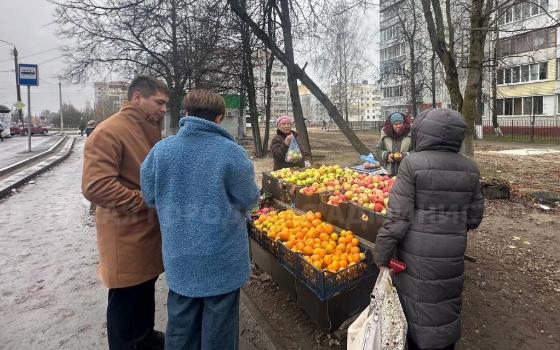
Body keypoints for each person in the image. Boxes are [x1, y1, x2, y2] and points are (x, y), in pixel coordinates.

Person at [140, 89, 259, 349]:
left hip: (180, 257)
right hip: (222, 260)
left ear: (186, 113)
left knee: (181, 329)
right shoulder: (231, 152)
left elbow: (148, 196)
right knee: (220, 333)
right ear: (219, 118)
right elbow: (250, 197)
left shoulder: (161, 152)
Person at [373, 108, 484, 350]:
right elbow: (475, 218)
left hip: (417, 255)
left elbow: (397, 218)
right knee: (446, 301)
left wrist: (380, 256)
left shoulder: (412, 164)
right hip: (453, 252)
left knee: (418, 308)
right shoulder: (470, 168)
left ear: (421, 133)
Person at [82, 76, 169, 350]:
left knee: (141, 297)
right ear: (137, 98)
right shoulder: (110, 131)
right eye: (159, 102)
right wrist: (147, 200)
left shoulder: (145, 127)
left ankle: (144, 339)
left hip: (143, 233)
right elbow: (96, 186)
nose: (164, 109)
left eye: (166, 104)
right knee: (126, 303)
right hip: (125, 236)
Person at [374, 112, 412, 176]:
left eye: (400, 123)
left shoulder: (410, 135)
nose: (398, 126)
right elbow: (378, 150)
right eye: (395, 124)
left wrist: (404, 155)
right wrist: (386, 155)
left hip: (406, 174)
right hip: (388, 174)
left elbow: (416, 151)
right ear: (391, 125)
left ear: (404, 123)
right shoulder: (385, 135)